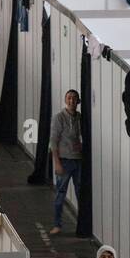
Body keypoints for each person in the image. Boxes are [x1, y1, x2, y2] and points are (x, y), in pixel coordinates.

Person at [49, 88, 82, 235]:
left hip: (78, 161)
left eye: (74, 98)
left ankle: (82, 225)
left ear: (78, 101)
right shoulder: (59, 118)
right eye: (69, 98)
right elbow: (54, 142)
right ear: (65, 100)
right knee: (60, 194)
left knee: (80, 193)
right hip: (64, 160)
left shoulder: (80, 118)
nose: (72, 101)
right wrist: (57, 163)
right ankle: (57, 225)